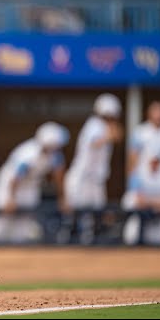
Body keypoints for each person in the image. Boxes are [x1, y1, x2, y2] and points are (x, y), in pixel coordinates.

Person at [0, 122, 70, 244]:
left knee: (25, 221)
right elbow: (15, 179)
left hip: (31, 185)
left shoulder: (55, 155)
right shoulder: (28, 153)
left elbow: (59, 177)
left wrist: (63, 199)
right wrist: (10, 199)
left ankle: (17, 253)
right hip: (9, 183)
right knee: (2, 218)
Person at [64, 93, 124, 243]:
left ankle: (89, 243)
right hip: (83, 177)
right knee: (77, 214)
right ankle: (68, 242)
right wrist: (110, 130)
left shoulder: (102, 125)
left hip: (94, 179)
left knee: (95, 214)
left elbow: (119, 136)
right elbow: (96, 142)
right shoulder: (94, 124)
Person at [121, 140, 160, 245]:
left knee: (158, 239)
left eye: (157, 160)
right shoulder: (139, 173)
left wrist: (151, 202)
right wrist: (155, 203)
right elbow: (137, 200)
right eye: (153, 159)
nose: (155, 163)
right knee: (131, 236)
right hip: (141, 214)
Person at [127, 100, 160, 177]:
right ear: (149, 113)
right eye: (155, 111)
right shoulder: (140, 131)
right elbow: (133, 156)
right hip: (143, 178)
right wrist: (132, 176)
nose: (158, 115)